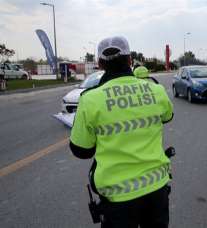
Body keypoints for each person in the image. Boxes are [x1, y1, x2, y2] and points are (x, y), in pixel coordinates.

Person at [69, 36, 174, 228]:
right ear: (130, 60)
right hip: (157, 187)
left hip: (117, 198)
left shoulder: (90, 99)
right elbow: (167, 117)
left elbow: (81, 150)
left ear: (100, 64)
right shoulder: (156, 90)